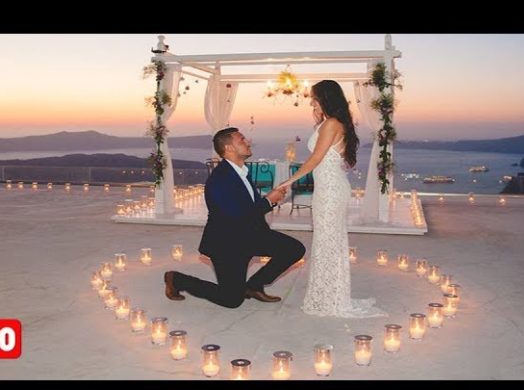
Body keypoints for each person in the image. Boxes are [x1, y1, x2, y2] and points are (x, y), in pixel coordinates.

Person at [276, 80, 387, 318]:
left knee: (328, 242)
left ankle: (331, 298)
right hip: (328, 188)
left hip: (330, 191)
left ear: (325, 98)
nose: (311, 103)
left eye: (314, 98)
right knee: (326, 241)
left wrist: (287, 181)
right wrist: (318, 117)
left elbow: (315, 159)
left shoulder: (332, 124)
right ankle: (328, 295)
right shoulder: (329, 123)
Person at [164, 127, 306, 308]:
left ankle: (254, 286)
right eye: (242, 140)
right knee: (231, 300)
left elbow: (247, 207)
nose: (248, 142)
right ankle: (177, 279)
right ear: (229, 148)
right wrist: (269, 201)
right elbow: (237, 216)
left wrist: (270, 199)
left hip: (251, 234)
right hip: (228, 244)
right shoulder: (220, 179)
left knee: (294, 249)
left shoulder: (241, 172)